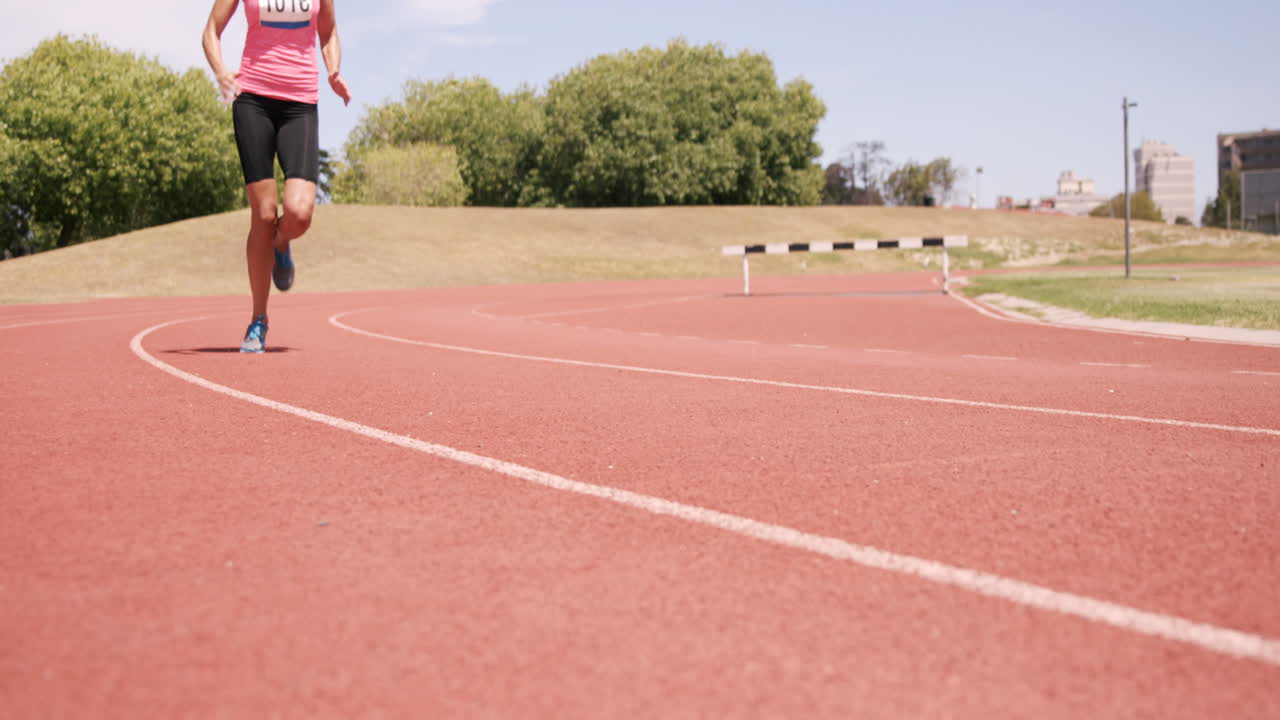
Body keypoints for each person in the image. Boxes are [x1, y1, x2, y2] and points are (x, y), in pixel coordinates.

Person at [202, 0, 351, 352]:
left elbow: (327, 32)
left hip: (300, 103)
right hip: (253, 98)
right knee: (264, 213)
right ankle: (258, 320)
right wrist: (221, 71)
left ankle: (281, 242)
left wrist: (333, 71)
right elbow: (211, 30)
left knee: (298, 214)